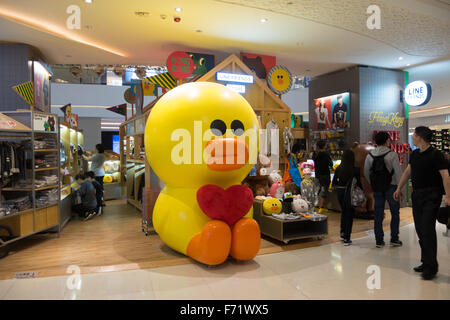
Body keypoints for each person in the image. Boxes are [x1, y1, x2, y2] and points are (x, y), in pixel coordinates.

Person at [394, 126, 450, 280]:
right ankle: (426, 262)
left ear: (420, 137)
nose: (412, 136)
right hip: (417, 196)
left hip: (432, 195)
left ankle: (431, 267)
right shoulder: (415, 154)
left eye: (414, 134)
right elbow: (407, 172)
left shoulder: (436, 154)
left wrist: (448, 196)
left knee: (427, 229)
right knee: (420, 230)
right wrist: (399, 188)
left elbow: (445, 176)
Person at [364, 131, 403, 248]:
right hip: (391, 187)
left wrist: (373, 183)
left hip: (377, 188)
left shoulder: (370, 155)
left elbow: (366, 173)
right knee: (395, 213)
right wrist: (400, 189)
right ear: (387, 141)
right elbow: (398, 173)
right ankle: (394, 238)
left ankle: (379, 240)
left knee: (378, 213)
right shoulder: (392, 155)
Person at [332, 149, 361, 245]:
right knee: (349, 214)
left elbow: (334, 182)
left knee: (344, 212)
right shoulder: (355, 169)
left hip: (340, 191)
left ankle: (342, 233)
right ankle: (347, 237)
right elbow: (359, 184)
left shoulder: (339, 168)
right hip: (350, 193)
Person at [313, 140, 333, 213]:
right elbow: (330, 164)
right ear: (324, 146)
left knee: (316, 191)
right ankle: (321, 207)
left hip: (317, 175)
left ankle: (314, 206)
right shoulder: (326, 154)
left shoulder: (315, 154)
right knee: (324, 190)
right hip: (325, 175)